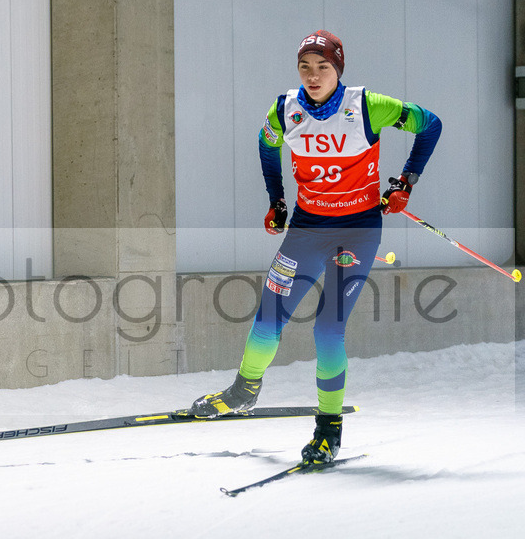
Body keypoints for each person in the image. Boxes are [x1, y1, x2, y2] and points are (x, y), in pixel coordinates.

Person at [188, 30, 442, 463]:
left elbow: (430, 123)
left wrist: (406, 183)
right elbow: (267, 146)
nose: (313, 75)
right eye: (305, 66)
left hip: (357, 232)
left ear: (338, 69)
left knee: (327, 330)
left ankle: (329, 430)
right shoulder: (285, 109)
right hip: (306, 230)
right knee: (269, 317)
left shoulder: (366, 105)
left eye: (323, 66)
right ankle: (243, 391)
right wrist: (277, 199)